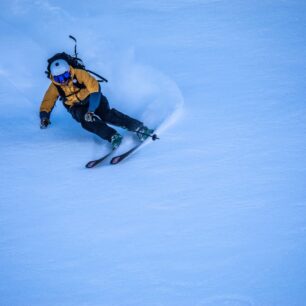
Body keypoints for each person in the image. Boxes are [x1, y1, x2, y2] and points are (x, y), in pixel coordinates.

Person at [39, 57, 153, 149]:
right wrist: (44, 116)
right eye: (58, 79)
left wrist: (91, 110)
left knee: (107, 115)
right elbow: (48, 101)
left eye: (64, 76)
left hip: (92, 98)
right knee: (87, 121)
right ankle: (113, 136)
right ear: (54, 78)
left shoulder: (80, 74)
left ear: (69, 71)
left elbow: (95, 91)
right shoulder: (55, 86)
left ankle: (139, 128)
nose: (63, 81)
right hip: (76, 107)